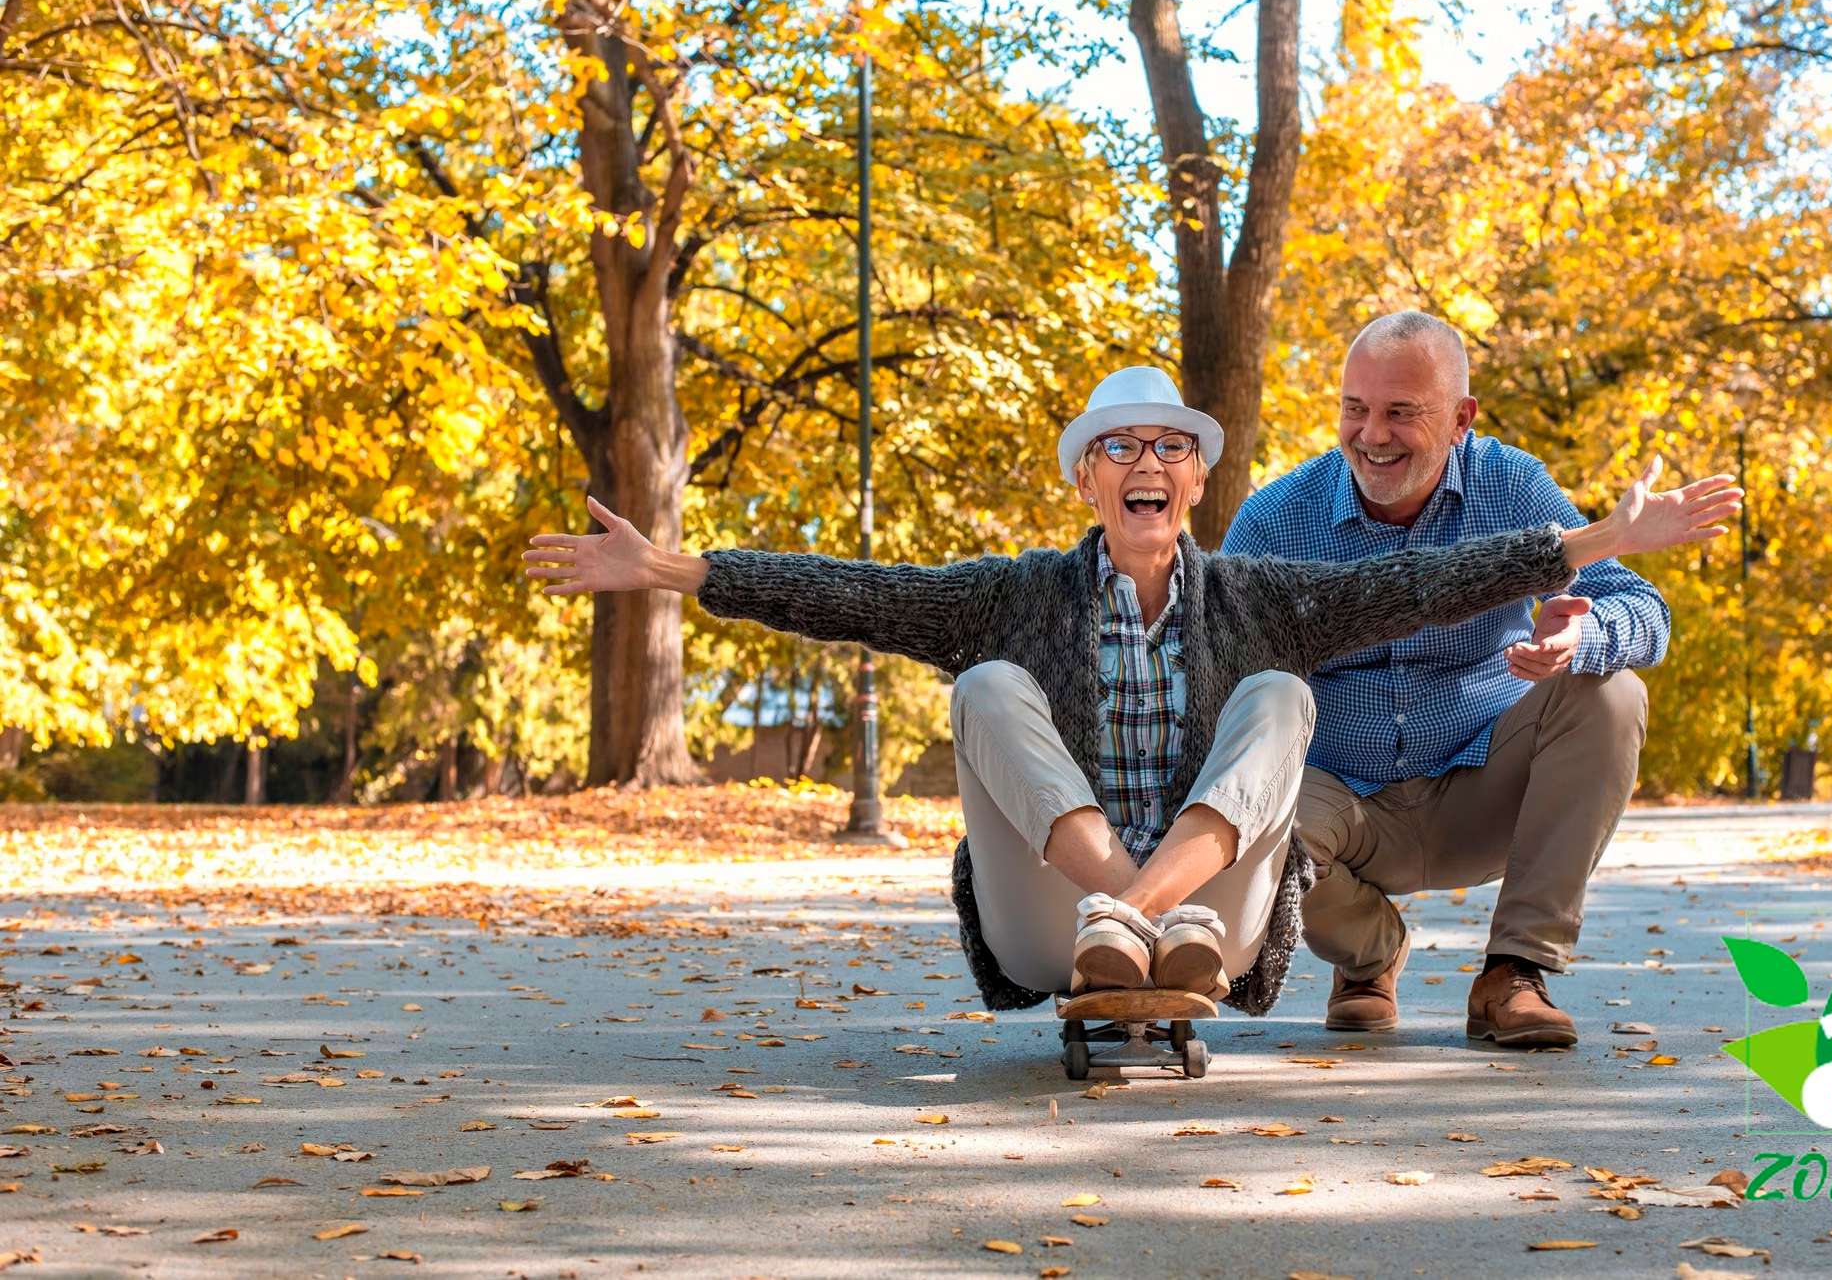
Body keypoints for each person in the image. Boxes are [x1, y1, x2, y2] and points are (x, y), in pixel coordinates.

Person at [523, 366, 1739, 1016]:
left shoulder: (1261, 595)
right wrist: (671, 568)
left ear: (1196, 484)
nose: (1144, 463)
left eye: (1168, 448)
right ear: (1085, 484)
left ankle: (1156, 916)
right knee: (990, 685)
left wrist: (1584, 542)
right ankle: (1125, 910)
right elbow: (848, 591)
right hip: (1056, 919)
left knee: (1276, 697)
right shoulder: (1014, 594)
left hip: (1216, 923)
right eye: (1118, 448)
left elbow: (1434, 581)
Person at [1221, 309, 1692, 1046]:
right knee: (1239, 804)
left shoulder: (1512, 487)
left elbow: (1645, 611)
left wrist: (1582, 634)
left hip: (1484, 787)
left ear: (1461, 418)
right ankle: (1369, 954)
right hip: (1341, 803)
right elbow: (1218, 678)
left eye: (1402, 413)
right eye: (1356, 408)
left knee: (1613, 690)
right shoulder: (1277, 518)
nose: (1372, 435)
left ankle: (1514, 972)